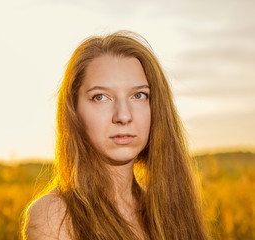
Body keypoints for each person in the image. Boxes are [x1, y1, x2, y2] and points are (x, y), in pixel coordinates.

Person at [21, 31, 209, 240]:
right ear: (74, 110)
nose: (123, 116)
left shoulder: (170, 209)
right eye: (101, 97)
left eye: (138, 95)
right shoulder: (55, 215)